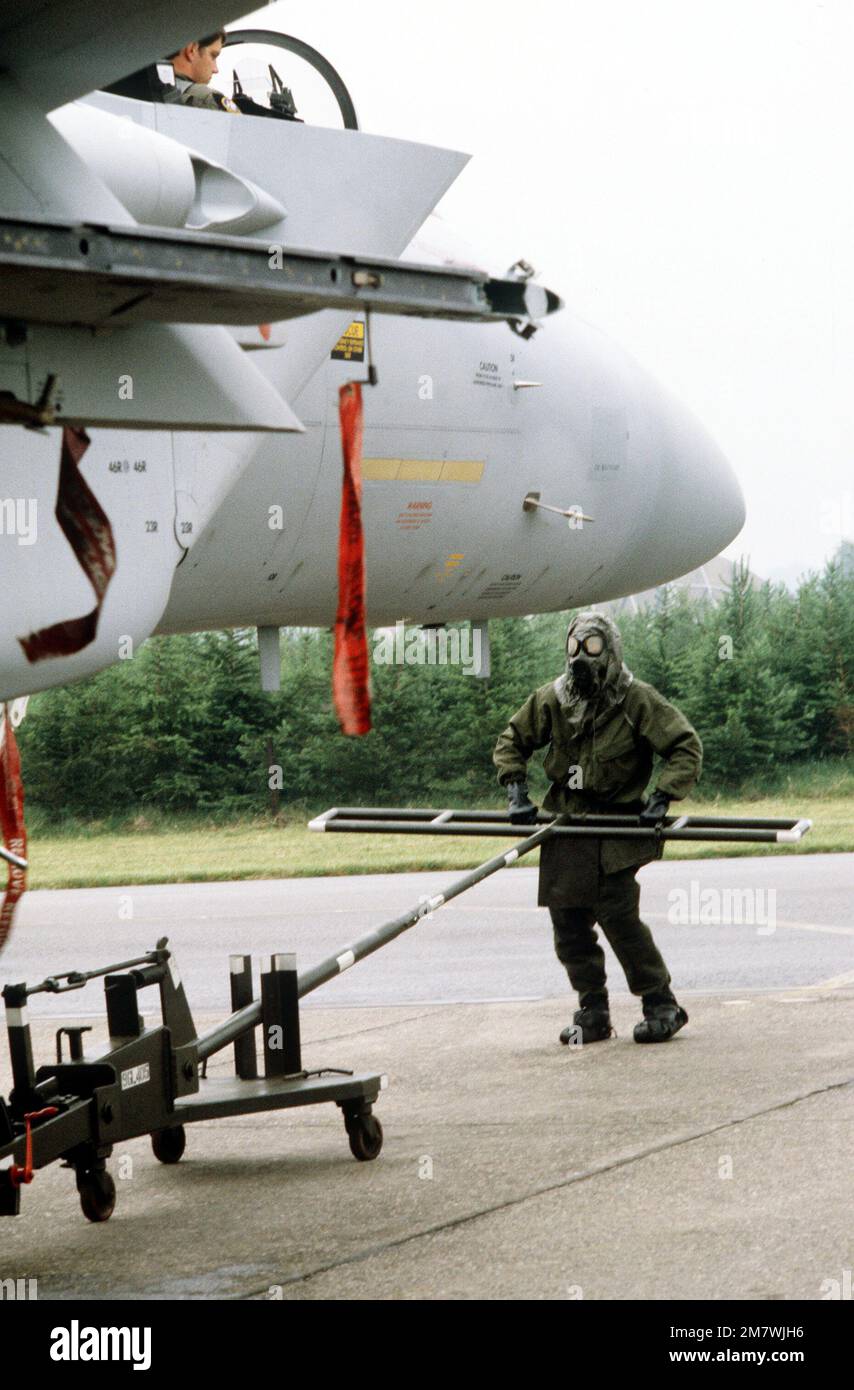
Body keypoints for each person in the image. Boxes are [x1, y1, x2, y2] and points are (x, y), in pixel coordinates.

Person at [493, 610, 702, 1046]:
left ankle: (661, 1004)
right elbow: (512, 739)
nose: (579, 659)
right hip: (566, 825)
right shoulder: (553, 698)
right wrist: (516, 791)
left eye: (591, 648)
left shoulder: (636, 700)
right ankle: (593, 1011)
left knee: (620, 920)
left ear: (610, 650)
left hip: (616, 827)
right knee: (568, 925)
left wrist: (662, 798)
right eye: (574, 648)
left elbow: (685, 745)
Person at [167, 29, 240, 112]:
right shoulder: (207, 99)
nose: (215, 69)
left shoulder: (154, 93)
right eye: (213, 56)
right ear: (192, 50)